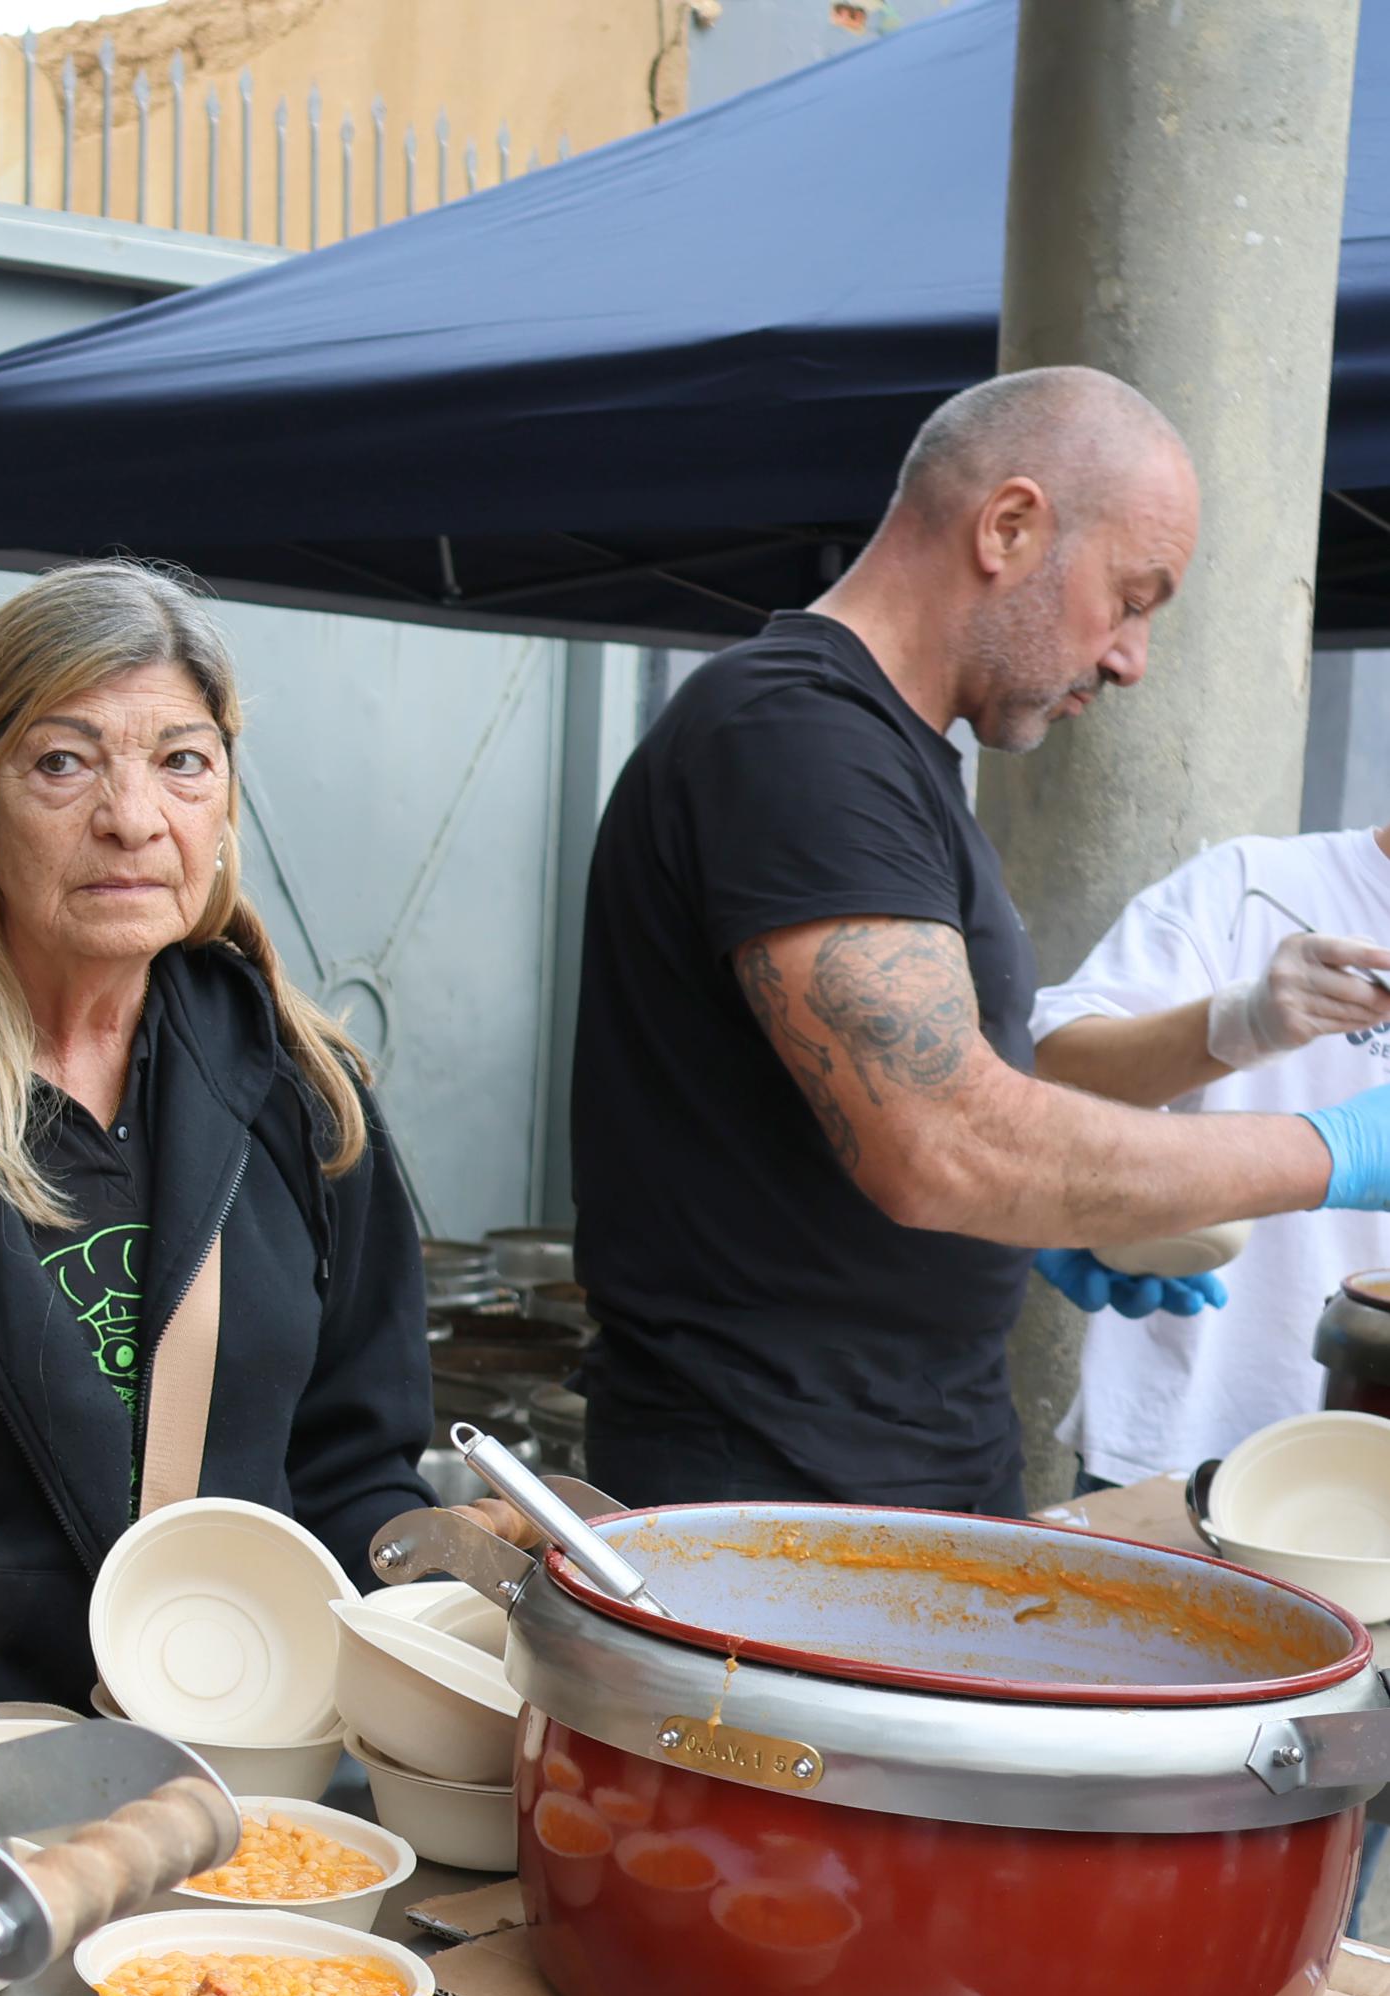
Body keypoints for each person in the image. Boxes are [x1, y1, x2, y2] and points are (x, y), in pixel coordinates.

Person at [572, 366, 1390, 1510]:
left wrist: (1060, 1218)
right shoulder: (794, 739)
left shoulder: (883, 759)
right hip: (764, 1507)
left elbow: (918, 1138)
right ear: (1007, 525)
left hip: (892, 1470)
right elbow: (943, 1140)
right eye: (1131, 597)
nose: (1128, 659)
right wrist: (1332, 1151)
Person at [0, 563, 435, 1704]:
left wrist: (435, 1588)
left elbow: (351, 1466)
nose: (131, 817)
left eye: (180, 762)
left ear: (223, 796)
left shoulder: (300, 1093)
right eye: (62, 762)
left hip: (235, 1763)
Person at [1029, 829, 1390, 1483]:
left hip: (1367, 1460)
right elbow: (1048, 1071)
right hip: (1186, 1440)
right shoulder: (1255, 884)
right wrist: (1236, 1023)